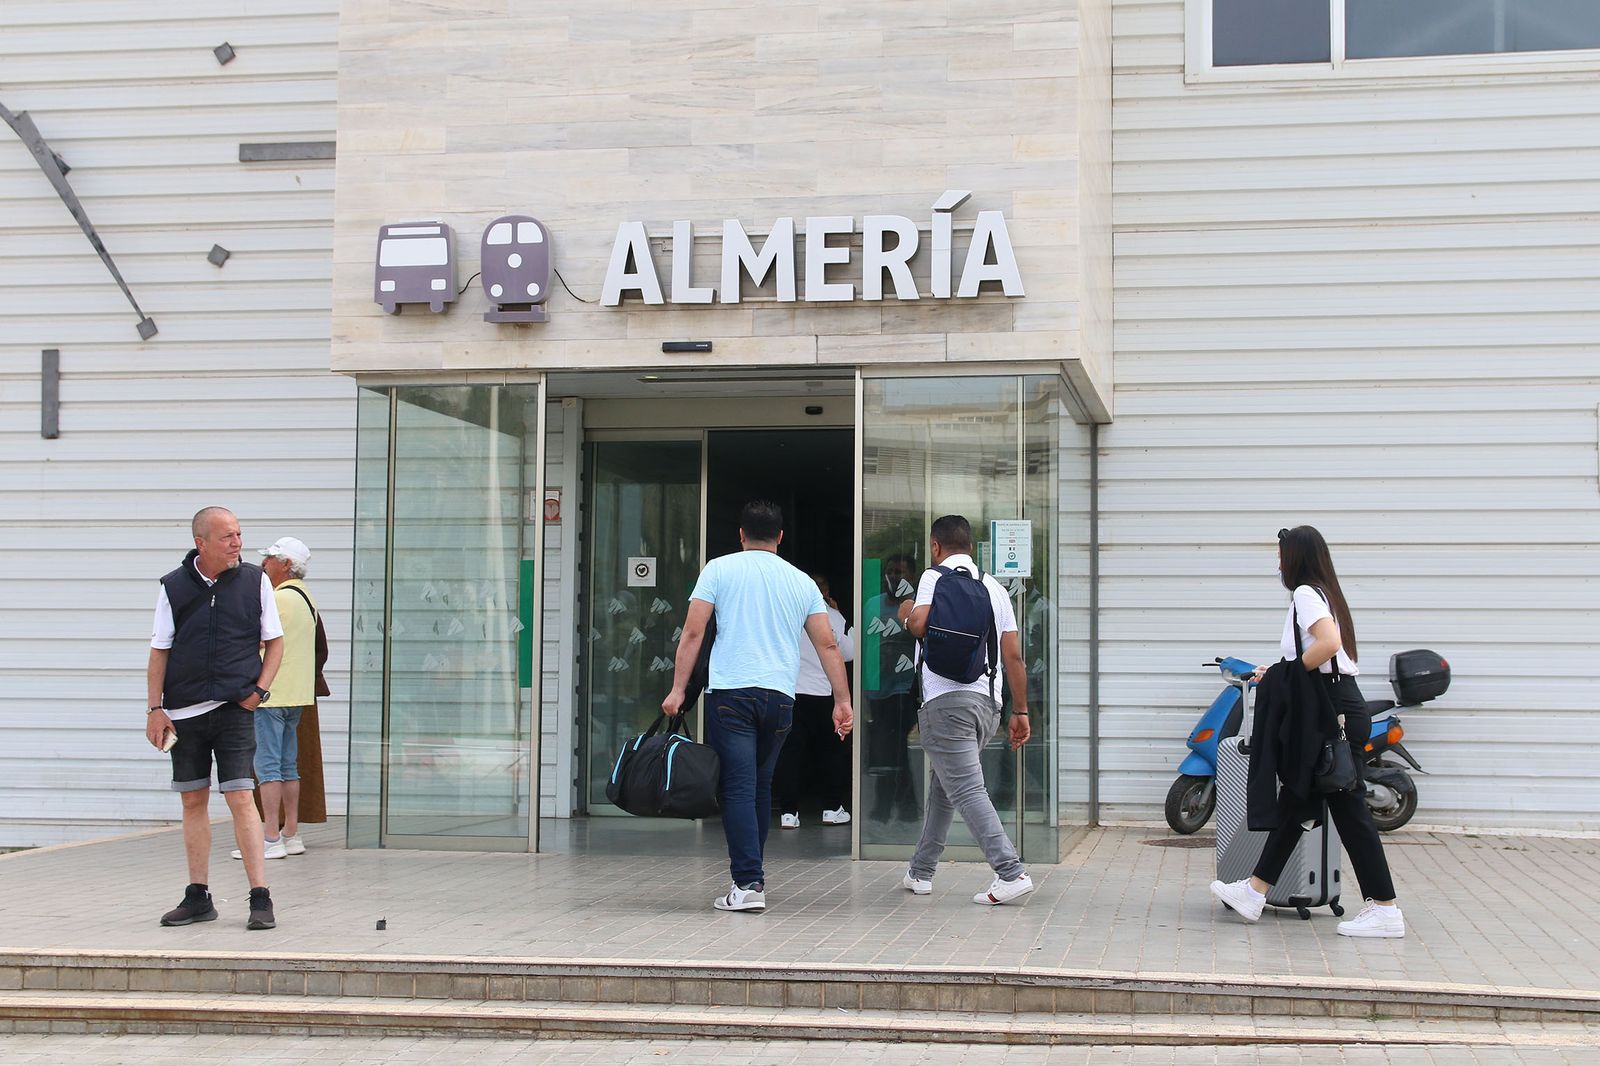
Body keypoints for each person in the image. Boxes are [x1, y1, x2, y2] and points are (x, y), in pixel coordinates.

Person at [1210, 525, 1406, 938]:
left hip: (1330, 710)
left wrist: (1288, 675)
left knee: (1349, 808)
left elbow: (1329, 644)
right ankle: (1255, 890)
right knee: (1298, 801)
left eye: (1281, 555)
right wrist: (1278, 671)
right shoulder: (1325, 592)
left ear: (1295, 557)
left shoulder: (1304, 593)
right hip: (1336, 704)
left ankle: (1385, 908)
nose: (1277, 562)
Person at [662, 501, 853, 913]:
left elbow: (694, 633)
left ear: (741, 534)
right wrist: (842, 701)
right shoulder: (801, 581)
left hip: (731, 693)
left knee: (737, 788)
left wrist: (678, 690)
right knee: (759, 786)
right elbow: (828, 644)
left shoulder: (718, 569)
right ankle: (751, 877)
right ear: (781, 537)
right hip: (781, 698)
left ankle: (748, 883)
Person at [145, 507, 284, 930]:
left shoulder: (254, 581)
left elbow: (274, 643)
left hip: (234, 709)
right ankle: (198, 896)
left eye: (239, 534)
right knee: (193, 800)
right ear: (200, 542)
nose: (237, 543)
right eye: (227, 536)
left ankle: (260, 898)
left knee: (241, 796)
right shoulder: (172, 586)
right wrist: (155, 709)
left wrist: (258, 692)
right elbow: (159, 651)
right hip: (184, 711)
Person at [898, 515, 1034, 906]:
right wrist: (1020, 712)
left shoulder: (933, 576)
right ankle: (921, 872)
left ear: (935, 546)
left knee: (967, 789)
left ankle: (1010, 871)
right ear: (972, 548)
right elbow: (1014, 657)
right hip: (987, 706)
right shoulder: (993, 587)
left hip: (945, 704)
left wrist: (906, 611)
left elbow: (919, 625)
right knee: (945, 787)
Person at [232, 536, 316, 862]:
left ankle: (269, 837)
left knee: (267, 767)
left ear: (284, 565)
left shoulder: (278, 599)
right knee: (287, 765)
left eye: (269, 558)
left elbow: (258, 642)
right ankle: (290, 832)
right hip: (296, 693)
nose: (263, 564)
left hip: (271, 693)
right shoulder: (305, 598)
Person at [776, 574, 855, 828]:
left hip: (790, 693)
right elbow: (850, 652)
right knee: (830, 752)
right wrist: (840, 616)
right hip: (822, 695)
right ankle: (832, 808)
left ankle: (788, 813)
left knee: (790, 753)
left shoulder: (787, 614)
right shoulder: (832, 617)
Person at [864, 553, 919, 822]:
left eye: (900, 572)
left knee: (892, 743)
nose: (895, 577)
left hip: (904, 687)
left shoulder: (918, 606)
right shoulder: (873, 604)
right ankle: (904, 805)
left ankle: (886, 807)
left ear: (912, 577)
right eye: (891, 571)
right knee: (888, 746)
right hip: (877, 686)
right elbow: (866, 645)